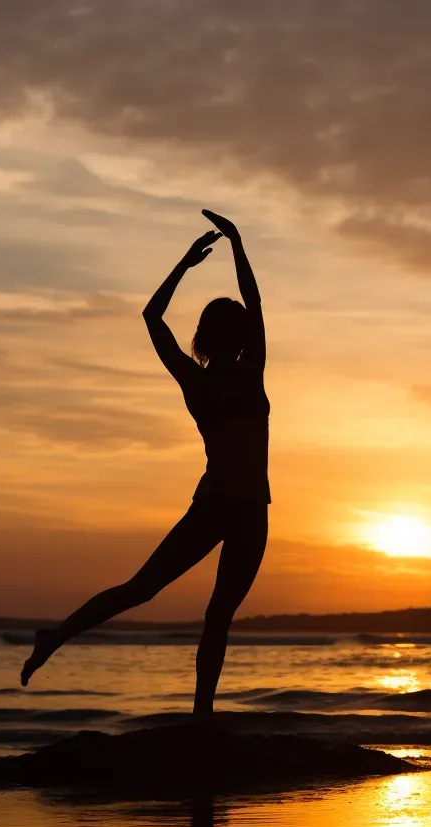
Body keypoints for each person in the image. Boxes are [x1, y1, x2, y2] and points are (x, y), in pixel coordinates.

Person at [20, 211, 269, 716]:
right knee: (211, 613)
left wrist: (185, 264)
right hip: (236, 508)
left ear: (207, 335)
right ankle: (201, 716)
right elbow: (249, 302)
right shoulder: (248, 372)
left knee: (150, 592)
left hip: (222, 506)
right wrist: (238, 245)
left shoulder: (198, 380)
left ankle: (59, 635)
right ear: (238, 337)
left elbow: (153, 318)